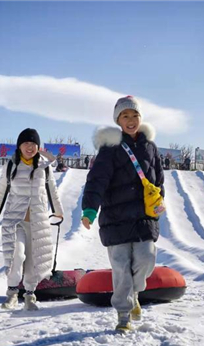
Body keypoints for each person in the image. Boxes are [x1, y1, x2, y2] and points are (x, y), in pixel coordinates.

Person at [81, 96, 164, 332]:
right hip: (115, 220)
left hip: (143, 218)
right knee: (120, 267)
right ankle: (123, 315)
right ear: (118, 120)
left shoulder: (150, 147)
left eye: (135, 115)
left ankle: (135, 293)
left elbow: (158, 180)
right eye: (125, 116)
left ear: (140, 118)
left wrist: (160, 200)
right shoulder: (110, 148)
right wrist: (89, 209)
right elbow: (96, 181)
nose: (131, 120)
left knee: (146, 259)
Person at [0, 128, 64, 311]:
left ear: (38, 147)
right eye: (26, 144)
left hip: (38, 222)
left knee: (34, 260)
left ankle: (30, 295)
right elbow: (1, 188)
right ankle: (12, 293)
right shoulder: (11, 165)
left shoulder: (44, 168)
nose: (30, 147)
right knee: (17, 254)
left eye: (33, 144)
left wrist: (58, 210)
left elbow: (52, 190)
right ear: (19, 146)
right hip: (16, 220)